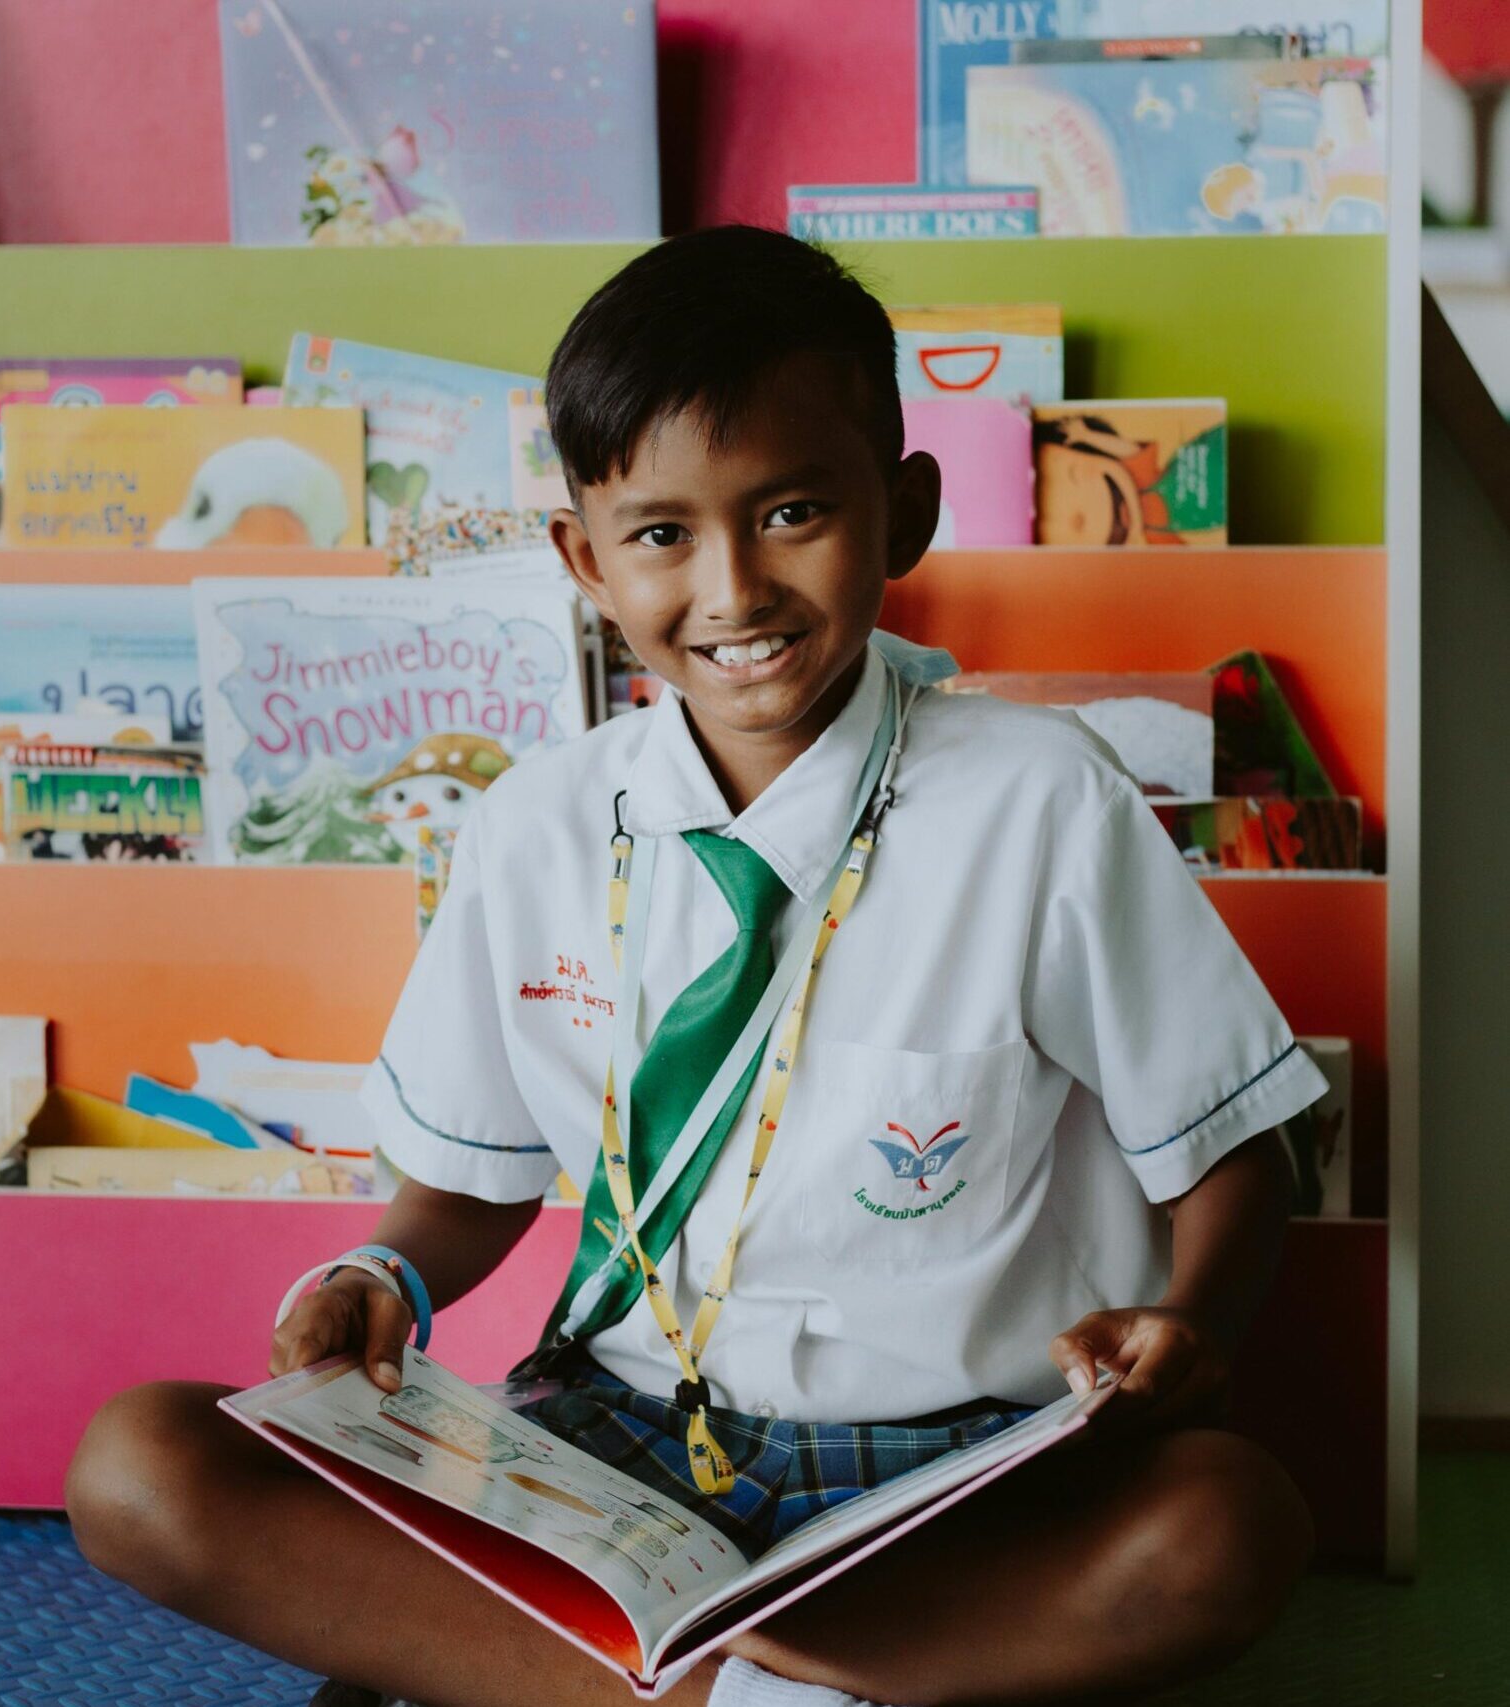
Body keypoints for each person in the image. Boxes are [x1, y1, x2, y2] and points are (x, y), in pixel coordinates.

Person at [65, 226, 1325, 1707]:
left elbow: (1240, 1152)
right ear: (584, 561)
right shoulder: (534, 826)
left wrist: (1193, 1332)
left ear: (903, 511)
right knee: (141, 1465)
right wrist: (383, 1268)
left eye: (793, 511)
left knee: (1225, 1530)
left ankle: (624, 1677)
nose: (734, 588)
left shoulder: (1044, 801)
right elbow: (472, 1182)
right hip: (617, 1445)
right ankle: (758, 1690)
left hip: (950, 1472)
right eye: (662, 535)